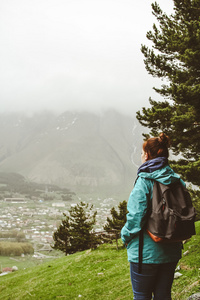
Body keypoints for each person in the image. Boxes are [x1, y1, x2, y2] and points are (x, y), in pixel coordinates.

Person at [121, 133, 183, 300]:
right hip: (172, 249)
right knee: (163, 295)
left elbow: (135, 216)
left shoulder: (144, 180)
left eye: (142, 153)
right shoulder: (176, 179)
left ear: (147, 155)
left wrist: (125, 236)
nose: (142, 156)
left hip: (145, 253)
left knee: (142, 296)